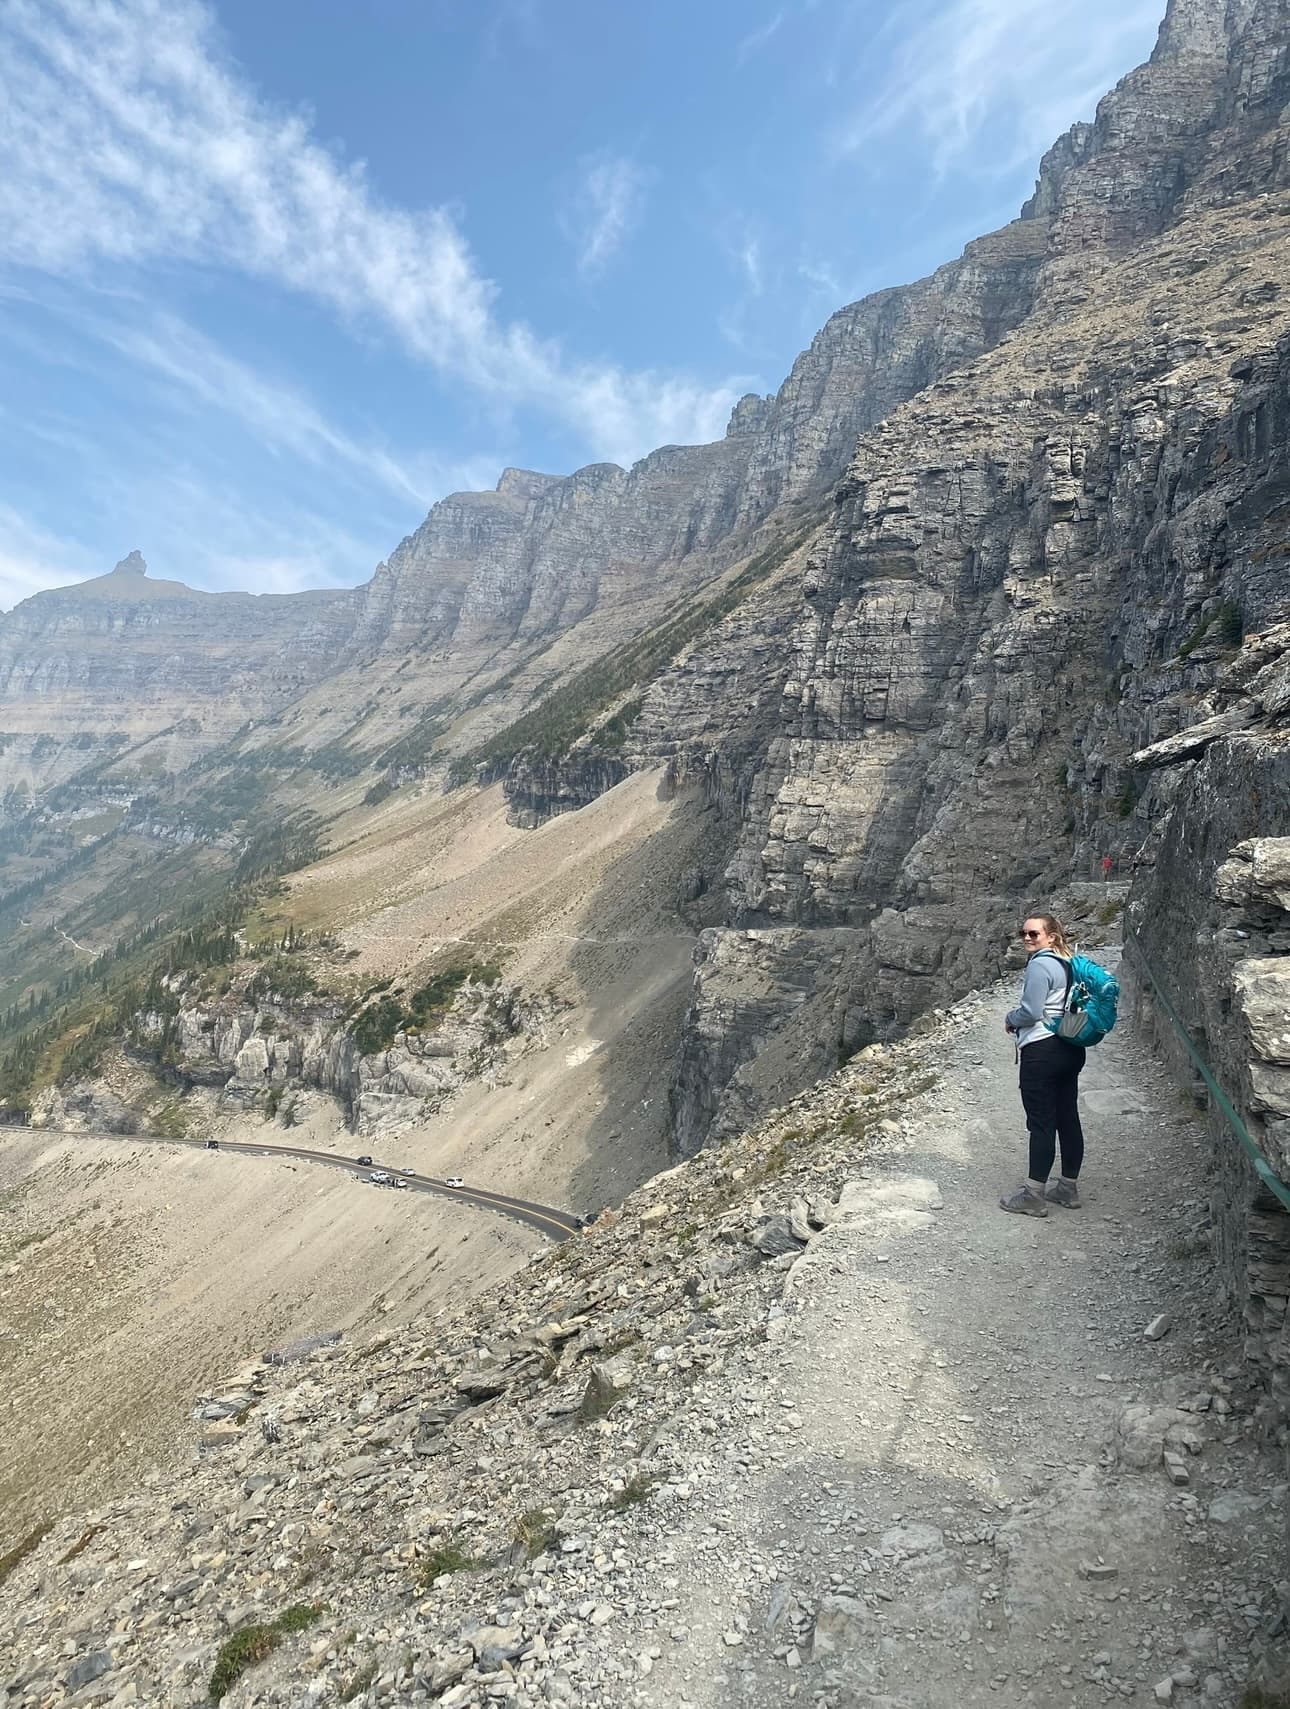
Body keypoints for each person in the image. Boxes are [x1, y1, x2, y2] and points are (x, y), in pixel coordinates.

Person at [999, 913, 1085, 1216]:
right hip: (1070, 1047)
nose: (1026, 938)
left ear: (1051, 936)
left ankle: (1033, 1194)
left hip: (1041, 1051)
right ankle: (1067, 1188)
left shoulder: (1040, 964)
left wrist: (1011, 1018)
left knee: (1041, 1123)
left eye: (1034, 934)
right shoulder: (1069, 962)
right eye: (1023, 933)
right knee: (1068, 1118)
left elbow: (1032, 1011)